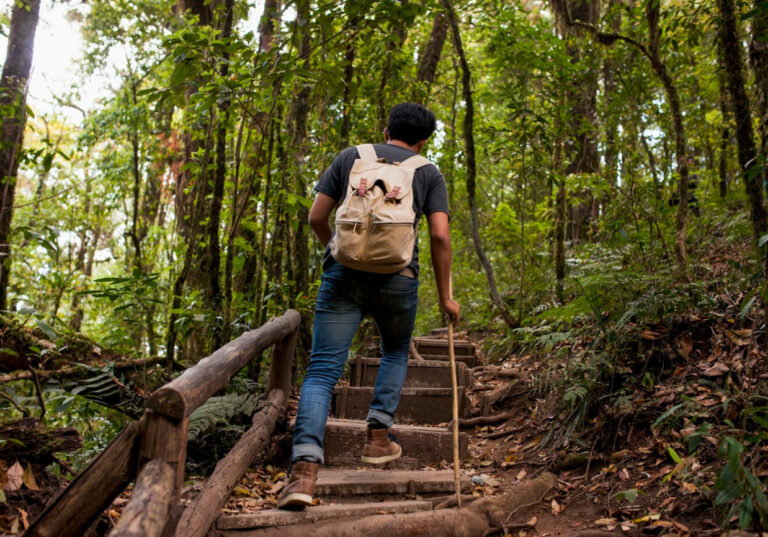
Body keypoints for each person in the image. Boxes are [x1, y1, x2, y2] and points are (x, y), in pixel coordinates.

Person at [277, 102, 460, 509]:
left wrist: (335, 252)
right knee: (394, 351)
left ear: (386, 130)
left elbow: (316, 217)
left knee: (322, 371)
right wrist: (446, 296)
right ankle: (378, 437)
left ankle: (303, 471)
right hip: (399, 279)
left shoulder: (351, 157)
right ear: (424, 140)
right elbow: (440, 236)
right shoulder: (428, 172)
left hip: (342, 278)